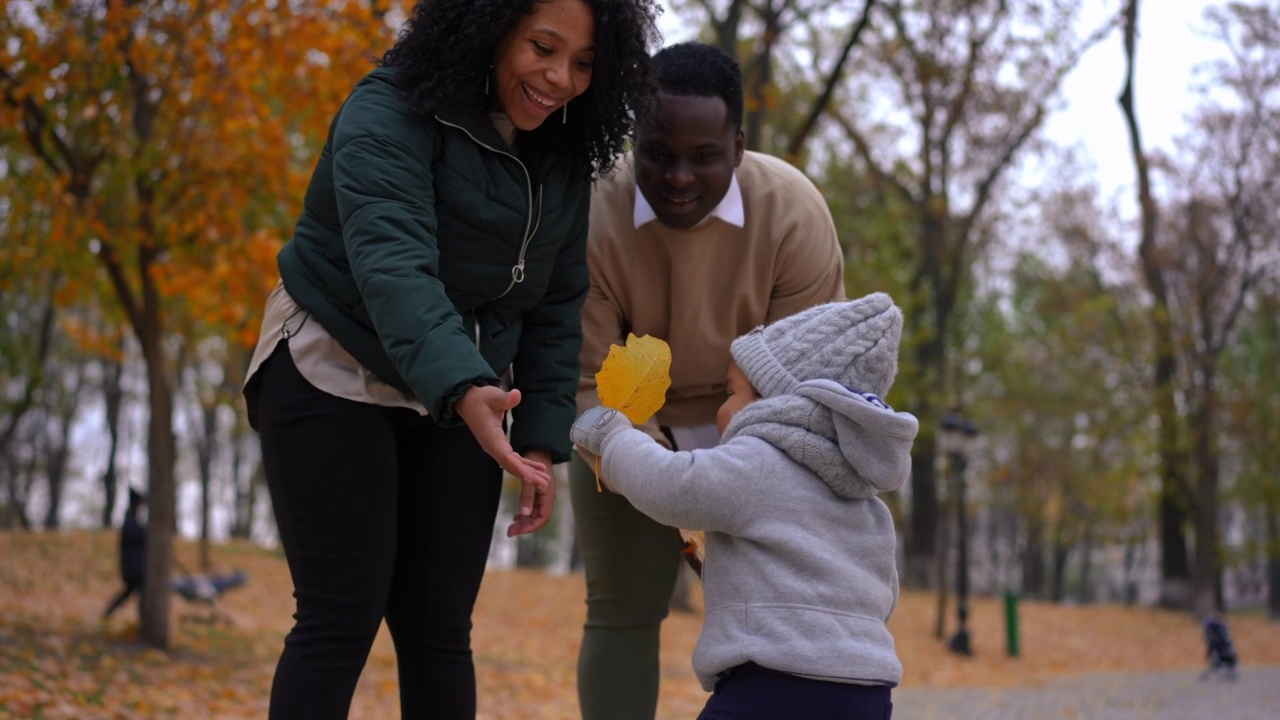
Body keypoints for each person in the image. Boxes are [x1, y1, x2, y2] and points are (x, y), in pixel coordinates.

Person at [239, 1, 660, 717]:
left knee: (439, 632)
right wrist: (466, 386)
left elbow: (558, 305)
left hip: (472, 397)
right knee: (341, 617)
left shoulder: (561, 152)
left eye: (584, 63)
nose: (560, 78)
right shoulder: (389, 107)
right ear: (490, 26)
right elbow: (394, 267)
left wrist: (537, 440)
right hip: (336, 364)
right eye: (543, 47)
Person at [568, 40, 847, 719]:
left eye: (704, 156)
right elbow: (586, 380)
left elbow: (803, 390)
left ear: (739, 146)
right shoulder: (594, 215)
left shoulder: (793, 216)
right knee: (623, 608)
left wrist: (719, 490)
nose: (679, 177)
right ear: (635, 137)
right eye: (658, 153)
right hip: (623, 423)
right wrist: (648, 466)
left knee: (782, 617)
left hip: (762, 425)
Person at [572, 293, 916, 720]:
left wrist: (614, 438)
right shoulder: (870, 506)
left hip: (773, 684)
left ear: (772, 403)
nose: (722, 409)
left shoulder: (759, 461)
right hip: (867, 694)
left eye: (731, 392)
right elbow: (886, 595)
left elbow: (674, 486)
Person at [104, 487, 147, 622]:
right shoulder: (130, 522)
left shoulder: (132, 520)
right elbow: (139, 537)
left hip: (135, 568)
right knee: (140, 594)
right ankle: (144, 620)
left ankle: (108, 612)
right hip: (133, 569)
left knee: (129, 593)